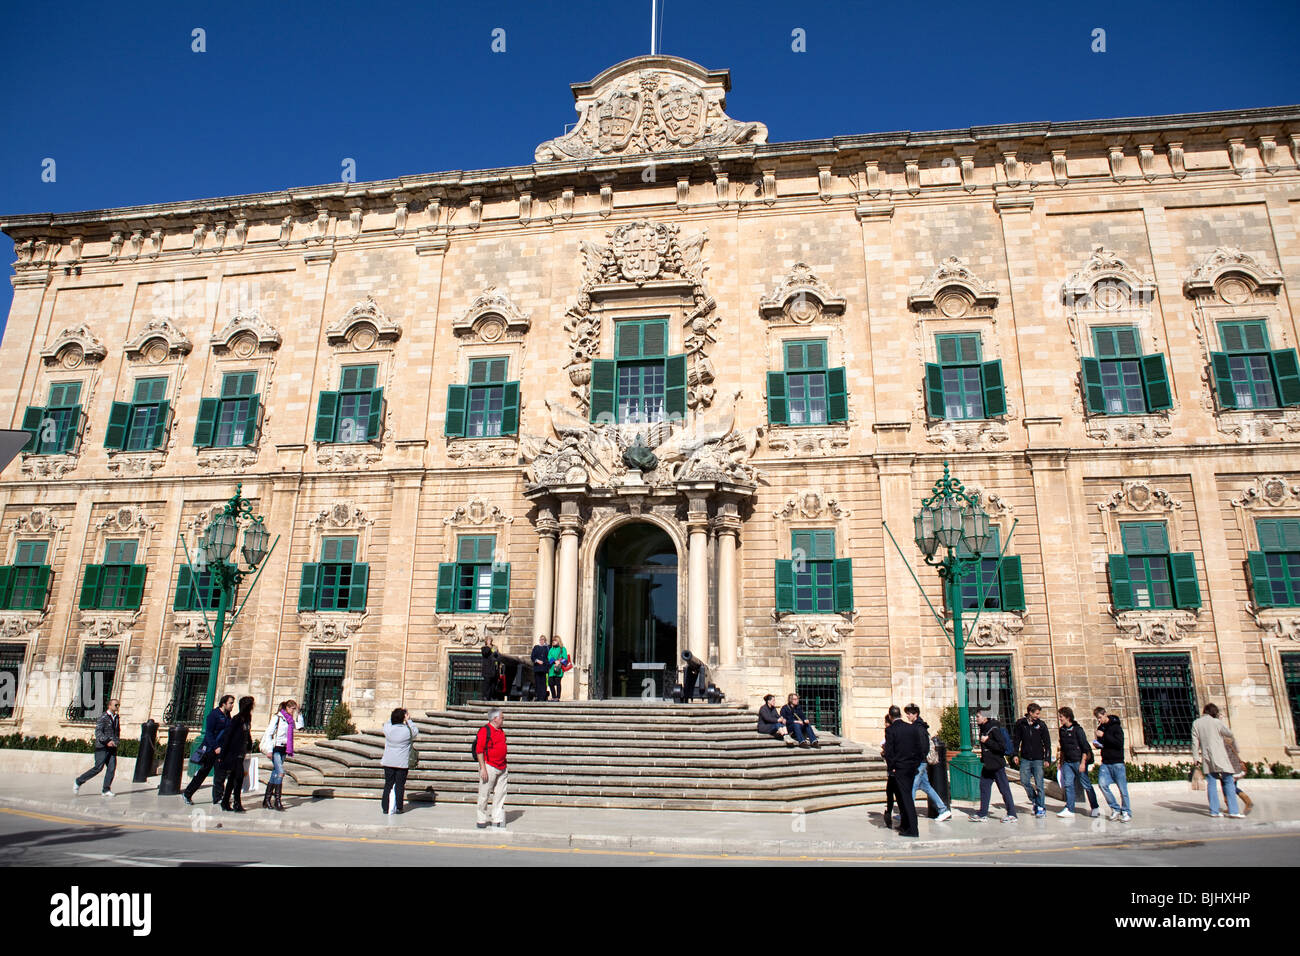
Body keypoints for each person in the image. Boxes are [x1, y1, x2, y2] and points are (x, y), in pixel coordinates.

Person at [1192, 703, 1244, 818]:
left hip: (1206, 757)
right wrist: (1221, 721)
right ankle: (1233, 811)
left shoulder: (1196, 723)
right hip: (1220, 756)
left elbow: (1195, 742)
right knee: (1228, 781)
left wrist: (1196, 758)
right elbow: (1229, 734)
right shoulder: (1216, 722)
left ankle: (1214, 811)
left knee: (1211, 783)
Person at [883, 704, 927, 837]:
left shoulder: (890, 730)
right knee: (902, 798)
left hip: (899, 770)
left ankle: (912, 830)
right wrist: (914, 765)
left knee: (906, 799)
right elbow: (919, 749)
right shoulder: (911, 728)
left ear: (890, 716)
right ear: (900, 715)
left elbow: (889, 752)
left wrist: (892, 768)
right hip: (911, 768)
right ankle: (905, 826)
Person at [183, 694, 234, 805]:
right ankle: (187, 793)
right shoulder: (214, 715)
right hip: (211, 750)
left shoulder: (228, 716)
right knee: (203, 773)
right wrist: (215, 747)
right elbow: (209, 733)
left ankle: (218, 797)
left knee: (220, 774)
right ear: (223, 703)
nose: (232, 705)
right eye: (230, 703)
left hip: (221, 751)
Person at [970, 707, 1018, 823]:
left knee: (1004, 789)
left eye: (978, 716)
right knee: (984, 787)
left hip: (996, 764)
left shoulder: (994, 728)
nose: (976, 719)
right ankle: (983, 813)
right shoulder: (983, 728)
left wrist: (987, 741)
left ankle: (1012, 814)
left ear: (985, 717)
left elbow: (1002, 747)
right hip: (988, 765)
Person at [905, 704, 952, 822]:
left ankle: (907, 814)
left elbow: (923, 747)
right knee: (926, 787)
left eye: (909, 713)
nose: (907, 716)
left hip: (919, 763)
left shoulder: (919, 728)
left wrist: (916, 760)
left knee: (911, 787)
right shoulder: (919, 726)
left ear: (915, 714)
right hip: (921, 762)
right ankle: (943, 809)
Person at [1056, 706, 1100, 818]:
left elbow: (1085, 747)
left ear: (1068, 717)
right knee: (1068, 785)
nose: (1060, 719)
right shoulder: (1062, 730)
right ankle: (1070, 808)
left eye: (1061, 717)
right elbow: (1063, 747)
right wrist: (1061, 762)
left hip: (1078, 761)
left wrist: (1083, 763)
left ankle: (1095, 807)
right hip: (1067, 762)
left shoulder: (1078, 730)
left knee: (1086, 785)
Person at [1011, 703, 1053, 818]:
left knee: (1039, 784)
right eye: (1036, 714)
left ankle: (1041, 806)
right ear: (1030, 712)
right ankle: (1034, 799)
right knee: (1024, 781)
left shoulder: (1041, 725)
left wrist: (1047, 758)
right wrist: (1015, 754)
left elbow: (1047, 743)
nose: (1038, 716)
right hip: (1025, 758)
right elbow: (1016, 740)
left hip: (1038, 759)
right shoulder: (1021, 724)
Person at [74, 698, 121, 798]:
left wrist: (116, 742)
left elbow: (117, 732)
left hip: (112, 747)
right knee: (98, 768)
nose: (117, 707)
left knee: (111, 769)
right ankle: (79, 781)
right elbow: (98, 732)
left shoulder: (116, 717)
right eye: (116, 705)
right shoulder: (103, 717)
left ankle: (106, 789)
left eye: (118, 705)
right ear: (109, 706)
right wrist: (107, 741)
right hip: (102, 747)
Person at [214, 696, 255, 812]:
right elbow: (228, 736)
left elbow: (247, 733)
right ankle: (237, 803)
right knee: (239, 776)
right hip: (234, 753)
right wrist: (222, 755)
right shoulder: (237, 719)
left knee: (232, 778)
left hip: (241, 752)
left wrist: (249, 744)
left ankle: (225, 801)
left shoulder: (248, 718)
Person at [262, 699, 303, 812]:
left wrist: (299, 713)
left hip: (284, 748)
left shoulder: (290, 720)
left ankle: (266, 799)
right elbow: (269, 733)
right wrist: (269, 750)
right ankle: (277, 801)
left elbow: (300, 726)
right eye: (293, 709)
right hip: (276, 748)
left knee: (275, 773)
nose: (293, 711)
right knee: (280, 773)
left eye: (295, 709)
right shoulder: (277, 717)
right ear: (288, 708)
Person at [1093, 706, 1131, 822]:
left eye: (1100, 717)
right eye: (1097, 718)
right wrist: (1097, 742)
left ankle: (1126, 811)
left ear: (1105, 714)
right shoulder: (1101, 728)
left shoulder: (1116, 727)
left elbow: (1118, 743)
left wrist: (1104, 736)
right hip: (1106, 762)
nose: (1099, 720)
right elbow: (1103, 743)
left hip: (1117, 762)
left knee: (1123, 790)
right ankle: (1115, 808)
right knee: (1102, 784)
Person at [381, 707, 419, 815]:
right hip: (401, 762)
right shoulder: (407, 731)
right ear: (403, 718)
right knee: (399, 785)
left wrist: (394, 716)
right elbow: (415, 731)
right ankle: (398, 807)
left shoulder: (387, 728)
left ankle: (385, 807)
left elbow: (388, 722)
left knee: (388, 784)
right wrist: (409, 720)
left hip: (388, 761)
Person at [475, 708, 508, 828]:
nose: (503, 719)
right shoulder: (485, 731)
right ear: (495, 719)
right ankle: (481, 819)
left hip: (502, 766)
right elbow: (479, 750)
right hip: (489, 766)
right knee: (484, 794)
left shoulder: (501, 731)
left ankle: (497, 818)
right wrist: (482, 768)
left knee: (500, 794)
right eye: (502, 718)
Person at [880, 710, 899, 828]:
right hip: (896, 768)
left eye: (886, 722)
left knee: (892, 792)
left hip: (894, 769)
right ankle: (890, 812)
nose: (885, 724)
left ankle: (890, 813)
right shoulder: (897, 730)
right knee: (892, 792)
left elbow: (891, 750)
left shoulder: (891, 732)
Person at [547, 635, 568, 701]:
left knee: (558, 682)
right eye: (553, 640)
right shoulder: (551, 649)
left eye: (555, 640)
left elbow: (565, 658)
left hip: (559, 668)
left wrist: (559, 661)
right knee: (550, 683)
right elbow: (549, 657)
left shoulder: (562, 649)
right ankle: (553, 696)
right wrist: (554, 661)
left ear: (558, 641)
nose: (553, 642)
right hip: (552, 669)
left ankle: (557, 697)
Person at [530, 635, 550, 702]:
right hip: (537, 668)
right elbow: (532, 657)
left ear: (545, 640)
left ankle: (543, 697)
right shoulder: (536, 647)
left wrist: (544, 662)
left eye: (543, 639)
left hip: (544, 669)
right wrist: (537, 660)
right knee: (537, 683)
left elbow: (549, 657)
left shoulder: (547, 648)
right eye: (540, 639)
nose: (541, 641)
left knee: (543, 683)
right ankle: (538, 696)